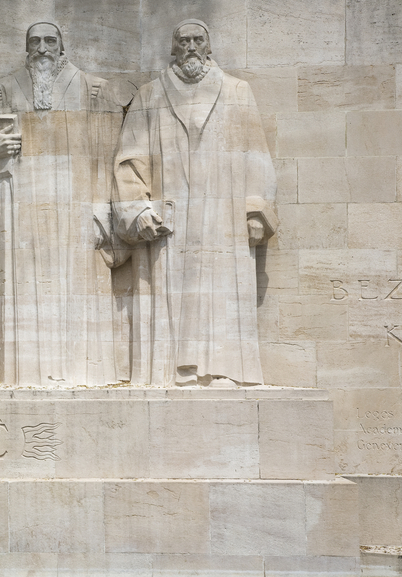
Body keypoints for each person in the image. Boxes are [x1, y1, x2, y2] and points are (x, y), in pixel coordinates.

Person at [112, 19, 278, 387]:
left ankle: (226, 368)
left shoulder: (237, 91)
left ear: (208, 47)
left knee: (223, 288)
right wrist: (138, 209)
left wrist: (256, 211)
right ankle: (172, 371)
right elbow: (129, 159)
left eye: (197, 39)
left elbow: (256, 155)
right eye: (183, 40)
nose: (190, 46)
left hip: (224, 213)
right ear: (173, 48)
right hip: (170, 217)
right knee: (172, 286)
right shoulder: (150, 95)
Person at [0, 22, 126, 387]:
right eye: (34, 41)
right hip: (18, 210)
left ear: (61, 46)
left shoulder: (92, 90)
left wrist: (101, 210)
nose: (42, 48)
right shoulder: (1, 90)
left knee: (78, 289)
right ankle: (22, 373)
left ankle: (82, 371)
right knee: (22, 286)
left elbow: (108, 156)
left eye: (49, 41)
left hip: (76, 210)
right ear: (26, 48)